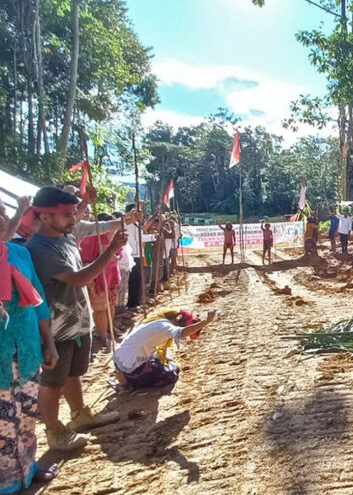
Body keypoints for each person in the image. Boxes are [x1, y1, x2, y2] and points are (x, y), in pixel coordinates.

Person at [25, 187, 122, 452]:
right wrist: (111, 249)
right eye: (67, 214)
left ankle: (80, 414)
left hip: (77, 319)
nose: (73, 219)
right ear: (45, 217)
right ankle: (54, 431)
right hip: (55, 326)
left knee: (72, 372)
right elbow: (78, 278)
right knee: (52, 380)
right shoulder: (39, 249)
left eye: (73, 213)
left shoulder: (65, 238)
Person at [0, 196, 60, 493]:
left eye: (2, 212)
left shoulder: (20, 254)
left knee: (28, 413)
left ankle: (28, 469)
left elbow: (39, 302)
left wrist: (49, 342)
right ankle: (3, 483)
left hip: (28, 349)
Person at [113, 309, 216, 390]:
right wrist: (205, 322)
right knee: (171, 375)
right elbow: (182, 333)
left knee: (163, 362)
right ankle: (127, 381)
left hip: (122, 359)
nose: (186, 338)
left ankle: (124, 377)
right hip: (129, 365)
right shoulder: (164, 326)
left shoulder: (160, 322)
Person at [79, 213, 122, 347]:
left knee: (111, 303)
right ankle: (102, 335)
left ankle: (109, 328)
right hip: (98, 275)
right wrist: (111, 254)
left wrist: (117, 255)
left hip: (112, 274)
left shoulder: (113, 236)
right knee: (101, 307)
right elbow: (103, 254)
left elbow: (119, 251)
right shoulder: (90, 236)